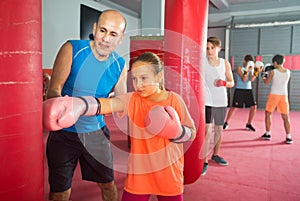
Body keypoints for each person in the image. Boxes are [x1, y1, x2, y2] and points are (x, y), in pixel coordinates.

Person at [43, 52, 196, 201]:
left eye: (144, 78)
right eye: (135, 79)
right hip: (139, 176)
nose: (138, 85)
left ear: (159, 76)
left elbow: (192, 132)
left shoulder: (174, 100)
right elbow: (109, 104)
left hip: (169, 175)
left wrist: (178, 132)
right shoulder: (133, 100)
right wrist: (80, 105)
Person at [44, 10, 127, 201]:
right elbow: (54, 90)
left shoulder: (120, 64)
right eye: (103, 31)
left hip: (96, 135)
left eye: (113, 34)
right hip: (64, 134)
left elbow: (120, 103)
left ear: (120, 38)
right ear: (94, 28)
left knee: (108, 185)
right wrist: (61, 109)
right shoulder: (72, 48)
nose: (106, 39)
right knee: (60, 192)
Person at [201, 36, 234, 176]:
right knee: (207, 130)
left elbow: (232, 82)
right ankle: (204, 160)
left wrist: (224, 83)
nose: (209, 51)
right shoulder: (202, 63)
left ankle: (216, 154)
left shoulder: (224, 63)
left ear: (219, 48)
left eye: (212, 48)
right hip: (207, 100)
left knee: (219, 129)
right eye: (207, 48)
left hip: (221, 100)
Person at [223, 54, 262, 131]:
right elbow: (244, 79)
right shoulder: (239, 68)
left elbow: (251, 80)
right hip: (239, 90)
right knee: (234, 107)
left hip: (248, 90)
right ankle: (226, 122)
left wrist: (256, 72)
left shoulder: (251, 70)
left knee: (253, 107)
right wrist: (247, 69)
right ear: (245, 61)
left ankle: (249, 124)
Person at [261, 54, 293, 144]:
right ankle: (289, 136)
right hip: (284, 96)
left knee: (268, 114)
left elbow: (266, 82)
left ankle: (268, 133)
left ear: (275, 62)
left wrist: (264, 75)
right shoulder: (288, 72)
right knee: (285, 117)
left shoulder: (273, 72)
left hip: (274, 95)